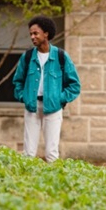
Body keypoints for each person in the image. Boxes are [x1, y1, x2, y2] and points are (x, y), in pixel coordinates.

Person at [13, 15, 81, 163]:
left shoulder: (61, 56)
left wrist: (59, 99)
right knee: (28, 153)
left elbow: (74, 85)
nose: (32, 37)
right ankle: (27, 183)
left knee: (51, 153)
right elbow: (17, 81)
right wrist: (23, 97)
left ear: (46, 34)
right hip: (32, 107)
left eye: (36, 33)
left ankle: (54, 183)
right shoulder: (27, 57)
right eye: (31, 33)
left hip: (53, 108)